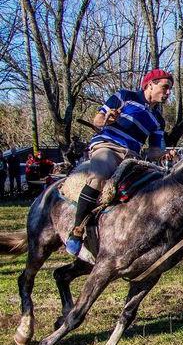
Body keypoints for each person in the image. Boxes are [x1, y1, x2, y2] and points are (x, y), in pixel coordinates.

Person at [66, 68, 173, 257]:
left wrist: (165, 153)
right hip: (108, 146)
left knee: (154, 189)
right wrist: (107, 118)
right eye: (165, 87)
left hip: (133, 157)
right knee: (98, 179)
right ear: (150, 85)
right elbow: (97, 119)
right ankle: (76, 231)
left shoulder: (159, 120)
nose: (167, 93)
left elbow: (154, 151)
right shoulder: (125, 96)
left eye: (169, 89)